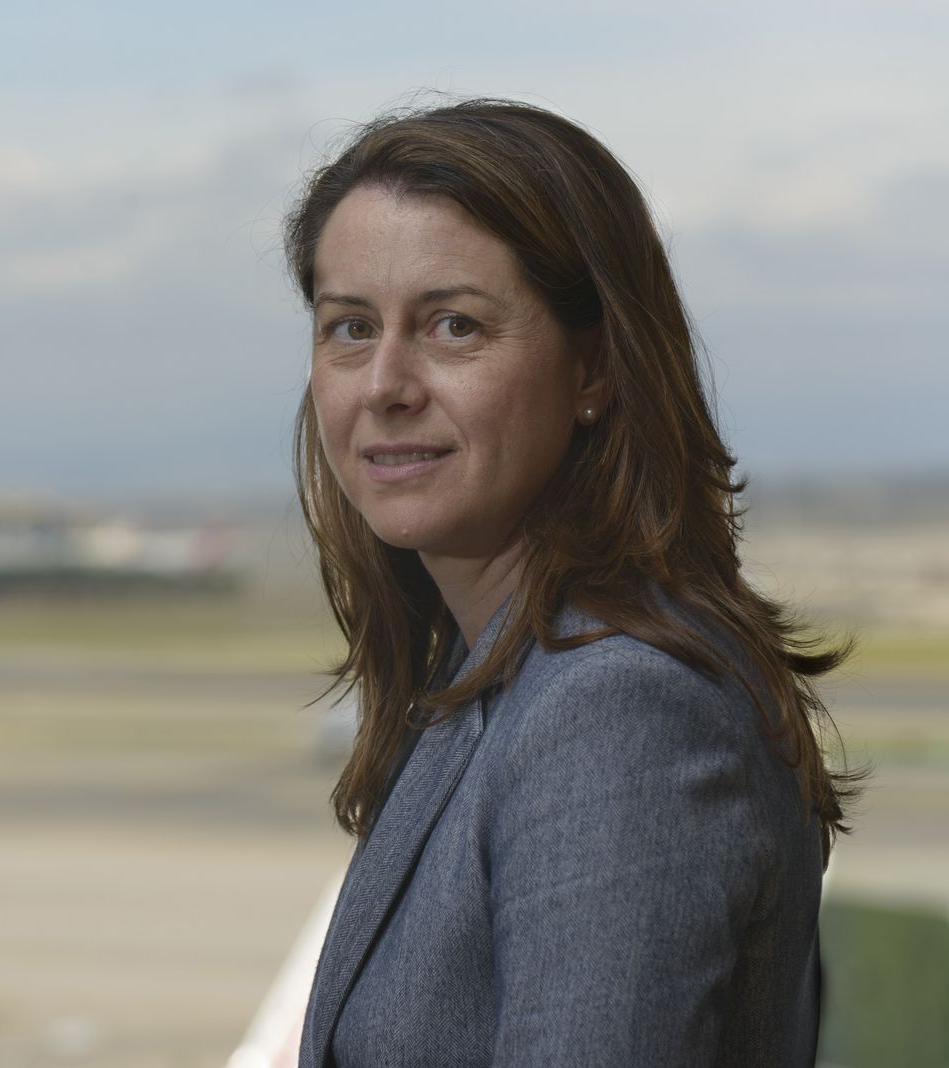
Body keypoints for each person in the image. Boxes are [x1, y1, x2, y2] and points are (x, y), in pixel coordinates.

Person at [284, 99, 859, 1067]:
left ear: (592, 366)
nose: (383, 383)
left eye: (452, 325)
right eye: (349, 328)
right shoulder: (492, 679)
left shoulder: (617, 710)